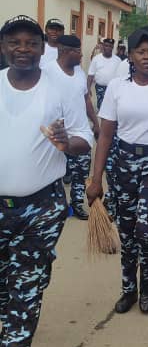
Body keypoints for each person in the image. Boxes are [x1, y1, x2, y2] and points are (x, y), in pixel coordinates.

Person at [0, 15, 92, 347]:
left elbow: (85, 140)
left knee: (25, 294)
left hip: (40, 209)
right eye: (15, 42)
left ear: (43, 48)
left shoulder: (61, 91)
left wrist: (65, 142)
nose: (23, 48)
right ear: (4, 47)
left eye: (31, 42)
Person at [87, 28, 148, 314]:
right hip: (123, 163)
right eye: (141, 52)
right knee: (127, 232)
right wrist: (96, 179)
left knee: (145, 228)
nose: (147, 57)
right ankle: (129, 288)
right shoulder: (118, 88)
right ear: (130, 56)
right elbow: (105, 136)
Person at [46, 35, 100, 220]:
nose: (81, 56)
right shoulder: (47, 71)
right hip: (57, 135)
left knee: (80, 174)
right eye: (78, 52)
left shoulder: (79, 73)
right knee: (55, 175)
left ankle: (77, 204)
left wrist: (95, 122)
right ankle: (56, 208)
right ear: (65, 51)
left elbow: (86, 99)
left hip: (81, 134)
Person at [87, 37, 120, 109]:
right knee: (102, 107)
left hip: (113, 89)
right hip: (100, 88)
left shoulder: (117, 60)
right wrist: (88, 88)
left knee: (112, 107)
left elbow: (121, 76)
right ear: (103, 46)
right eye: (106, 45)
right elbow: (90, 74)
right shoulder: (96, 59)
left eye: (110, 46)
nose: (108, 48)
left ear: (113, 47)